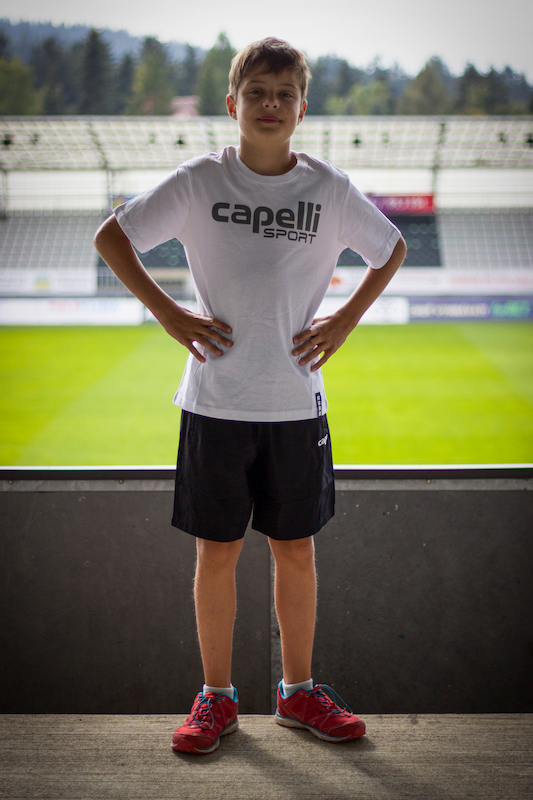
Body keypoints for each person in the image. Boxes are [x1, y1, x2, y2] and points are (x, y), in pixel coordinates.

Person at [94, 36, 406, 755]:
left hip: (296, 404)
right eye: (257, 93)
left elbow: (390, 246)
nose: (271, 105)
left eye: (284, 94)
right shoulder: (201, 180)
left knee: (295, 551)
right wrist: (169, 314)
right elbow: (113, 237)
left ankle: (298, 693)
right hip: (215, 401)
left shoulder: (328, 188)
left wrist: (345, 319)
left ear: (303, 107)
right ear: (232, 104)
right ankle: (217, 698)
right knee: (218, 554)